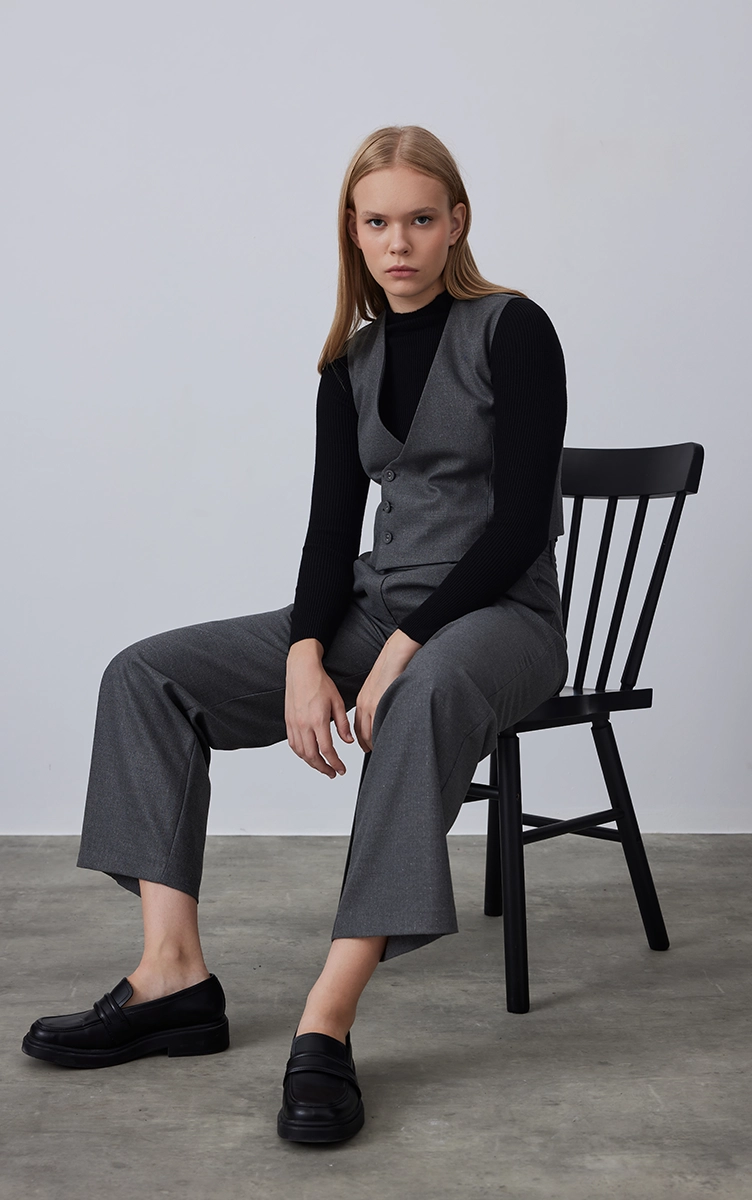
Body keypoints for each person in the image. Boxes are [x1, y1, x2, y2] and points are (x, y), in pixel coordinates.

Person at [21, 125, 569, 1144]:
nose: (398, 241)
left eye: (419, 218)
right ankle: (172, 976)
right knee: (146, 676)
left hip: (502, 619)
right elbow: (328, 531)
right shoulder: (349, 362)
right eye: (377, 222)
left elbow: (518, 526)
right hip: (374, 604)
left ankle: (327, 1021)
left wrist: (402, 647)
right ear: (352, 232)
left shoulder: (512, 328)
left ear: (456, 223)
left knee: (422, 693)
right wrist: (305, 654)